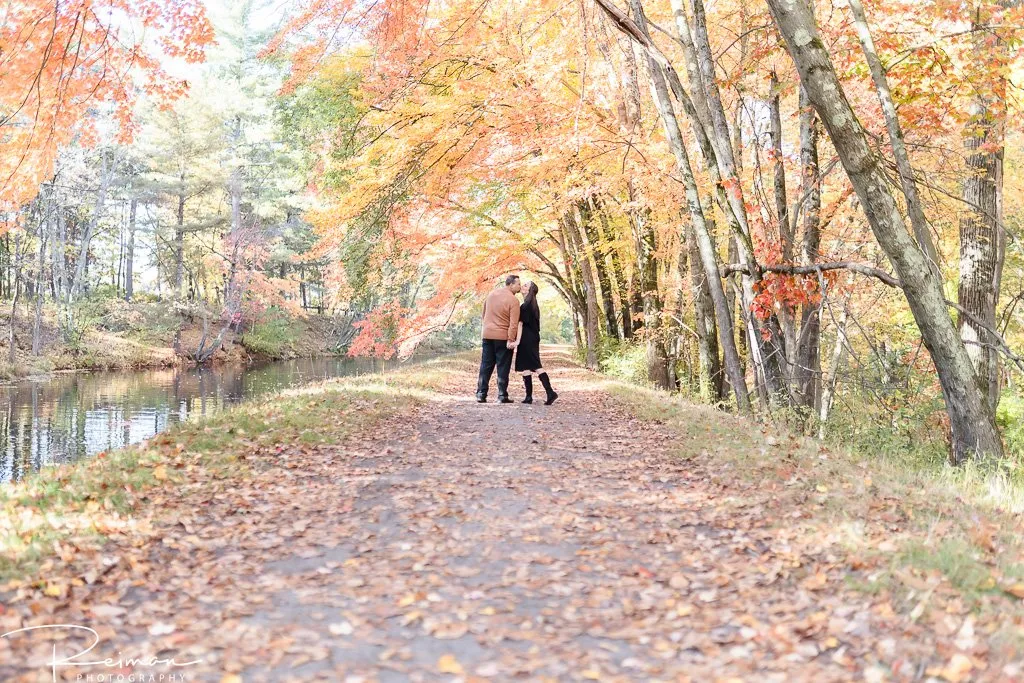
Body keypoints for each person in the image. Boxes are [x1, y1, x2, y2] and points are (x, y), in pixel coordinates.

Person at [476, 274, 522, 403]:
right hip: (502, 337)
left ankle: (481, 394)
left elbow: (484, 313)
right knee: (503, 366)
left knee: (486, 365)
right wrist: (511, 339)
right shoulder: (513, 301)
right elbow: (514, 323)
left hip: (487, 334)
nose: (519, 286)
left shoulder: (491, 294)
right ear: (511, 284)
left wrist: (487, 327)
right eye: (518, 284)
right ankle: (502, 396)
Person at [513, 280, 558, 405]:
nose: (522, 286)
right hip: (532, 337)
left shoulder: (526, 306)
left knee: (536, 365)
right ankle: (528, 397)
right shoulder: (532, 305)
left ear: (530, 290)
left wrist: (517, 341)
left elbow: (520, 324)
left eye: (526, 285)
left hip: (526, 338)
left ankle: (550, 392)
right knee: (526, 366)